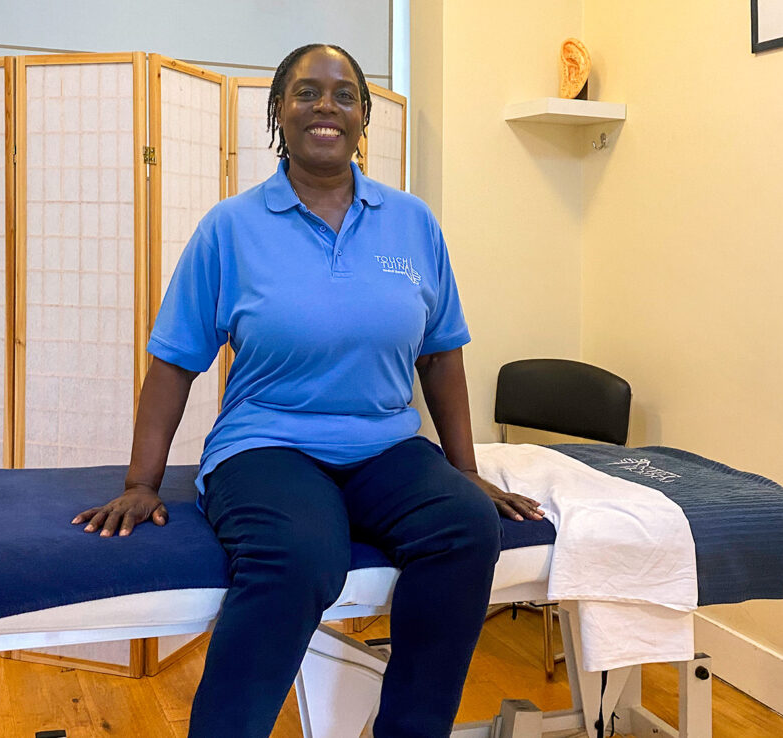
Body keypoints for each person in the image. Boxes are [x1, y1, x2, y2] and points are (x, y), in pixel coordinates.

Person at [72, 43, 543, 738]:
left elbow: (441, 356)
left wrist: (465, 470)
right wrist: (142, 482)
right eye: (306, 92)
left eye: (345, 94)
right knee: (299, 555)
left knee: (466, 528)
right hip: (267, 444)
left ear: (363, 119)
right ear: (278, 114)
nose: (327, 105)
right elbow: (173, 363)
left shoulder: (412, 224)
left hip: (385, 443)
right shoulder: (230, 228)